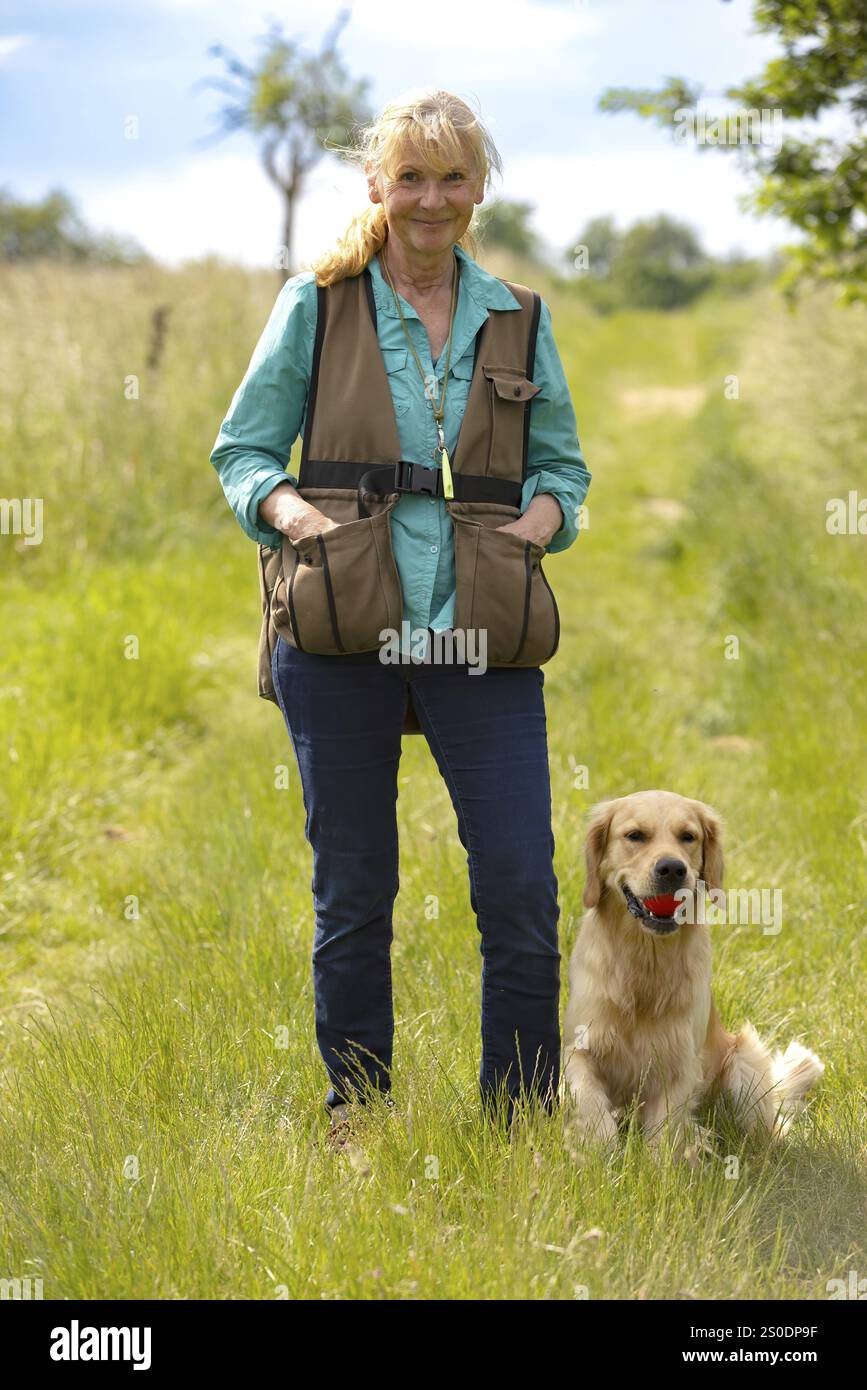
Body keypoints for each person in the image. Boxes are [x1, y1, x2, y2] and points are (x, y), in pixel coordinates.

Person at [210, 87, 591, 1139]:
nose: (431, 198)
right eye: (410, 176)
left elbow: (563, 470)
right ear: (378, 186)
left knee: (520, 885)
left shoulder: (519, 315)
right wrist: (291, 514)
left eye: (452, 176)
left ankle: (516, 1121)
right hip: (339, 629)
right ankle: (359, 1117)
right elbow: (241, 451)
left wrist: (535, 527)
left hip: (486, 633)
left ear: (478, 188)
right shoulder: (317, 304)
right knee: (355, 891)